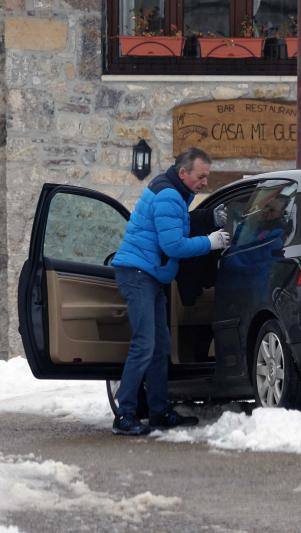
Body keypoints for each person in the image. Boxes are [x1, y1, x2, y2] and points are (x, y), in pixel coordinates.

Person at [110, 147, 229, 436]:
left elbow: (177, 227)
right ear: (183, 173)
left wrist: (209, 218)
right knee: (145, 344)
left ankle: (159, 411)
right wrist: (212, 242)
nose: (204, 183)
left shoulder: (174, 192)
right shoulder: (168, 196)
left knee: (161, 347)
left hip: (149, 275)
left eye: (207, 177)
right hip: (138, 275)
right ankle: (124, 415)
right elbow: (173, 245)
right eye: (201, 177)